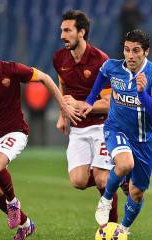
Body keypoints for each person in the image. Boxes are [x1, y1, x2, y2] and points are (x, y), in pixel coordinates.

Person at [0, 31, 79, 240]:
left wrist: (62, 108)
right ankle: (25, 224)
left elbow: (45, 78)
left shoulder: (11, 70)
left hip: (15, 131)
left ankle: (13, 203)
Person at [80, 30, 152, 234]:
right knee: (125, 163)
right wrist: (90, 102)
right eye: (127, 50)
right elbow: (101, 76)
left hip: (143, 139)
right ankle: (107, 198)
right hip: (116, 128)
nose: (130, 55)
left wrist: (142, 93)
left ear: (146, 52)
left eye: (136, 51)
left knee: (137, 193)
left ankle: (122, 230)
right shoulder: (113, 67)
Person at [53, 10, 119, 222]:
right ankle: (117, 177)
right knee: (79, 181)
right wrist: (63, 114)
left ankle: (114, 227)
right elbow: (62, 82)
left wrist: (82, 105)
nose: (62, 35)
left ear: (81, 32)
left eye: (67, 30)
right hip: (78, 129)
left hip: (102, 127)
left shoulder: (101, 61)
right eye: (61, 30)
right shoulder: (59, 58)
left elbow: (109, 105)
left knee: (101, 180)